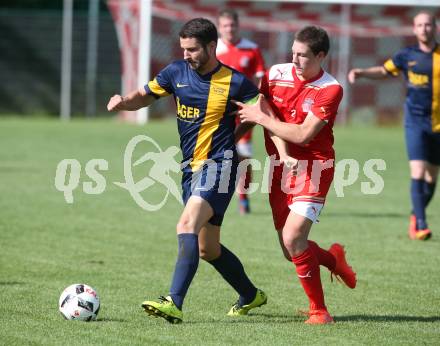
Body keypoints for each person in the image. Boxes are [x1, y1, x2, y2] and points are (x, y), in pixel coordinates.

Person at [107, 18, 267, 324]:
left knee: (186, 224)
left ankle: (174, 302)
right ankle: (251, 295)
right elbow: (145, 95)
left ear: (211, 46)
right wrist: (124, 102)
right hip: (190, 169)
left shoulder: (235, 81)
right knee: (209, 249)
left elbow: (261, 109)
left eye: (193, 50)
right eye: (183, 49)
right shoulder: (175, 72)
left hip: (220, 166)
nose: (186, 55)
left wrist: (240, 131)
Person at [234, 26, 356, 324]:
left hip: (315, 167)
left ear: (321, 55)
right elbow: (260, 109)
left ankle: (319, 312)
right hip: (280, 168)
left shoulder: (330, 89)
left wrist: (261, 118)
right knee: (291, 250)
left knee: (293, 237)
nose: (295, 60)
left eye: (302, 55)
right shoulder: (276, 73)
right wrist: (231, 140)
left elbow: (303, 134)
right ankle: (333, 259)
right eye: (293, 52)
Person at [348, 11, 439, 241]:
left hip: (438, 125)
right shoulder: (406, 55)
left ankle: (414, 215)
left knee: (431, 179)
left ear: (435, 27)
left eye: (428, 25)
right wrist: (362, 73)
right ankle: (420, 223)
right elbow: (384, 71)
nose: (424, 29)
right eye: (420, 25)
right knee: (417, 171)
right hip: (415, 121)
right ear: (414, 29)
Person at [216, 8, 266, 214]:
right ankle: (215, 197)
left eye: (232, 25)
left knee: (244, 157)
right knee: (219, 155)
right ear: (220, 28)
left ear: (238, 26)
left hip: (245, 112)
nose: (229, 29)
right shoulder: (213, 50)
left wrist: (260, 102)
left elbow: (262, 77)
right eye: (225, 25)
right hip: (219, 111)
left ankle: (243, 199)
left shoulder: (251, 49)